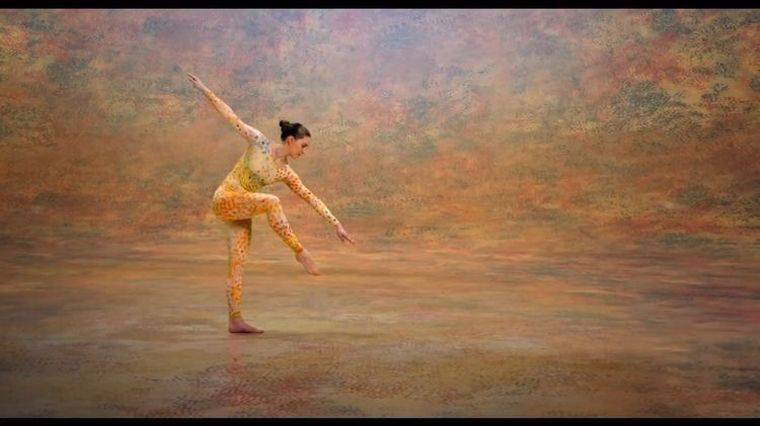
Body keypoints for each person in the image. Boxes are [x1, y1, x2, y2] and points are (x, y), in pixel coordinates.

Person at [187, 72, 355, 334]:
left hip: (242, 211)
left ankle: (235, 320)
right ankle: (299, 252)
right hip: (225, 199)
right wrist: (204, 89)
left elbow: (309, 196)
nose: (305, 152)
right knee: (272, 201)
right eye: (304, 146)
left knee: (237, 265)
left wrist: (336, 224)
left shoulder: (286, 172)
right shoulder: (259, 142)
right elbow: (231, 117)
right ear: (290, 141)